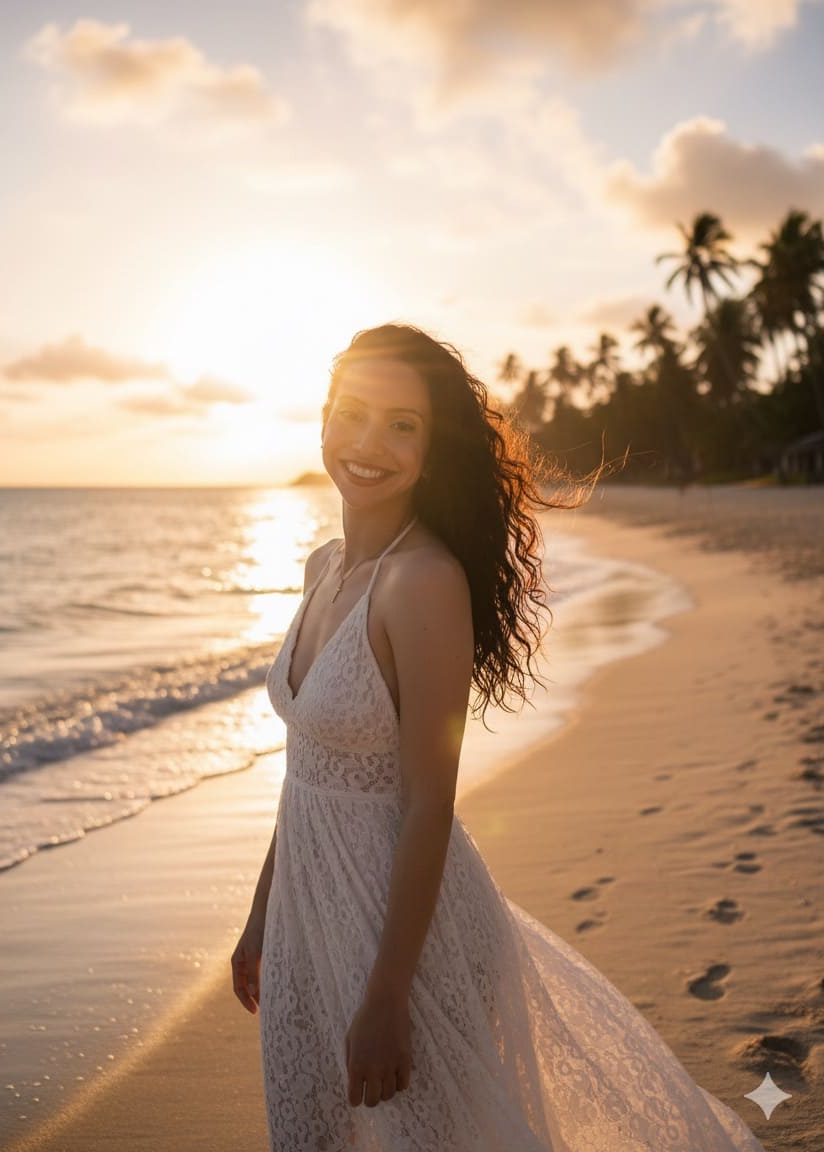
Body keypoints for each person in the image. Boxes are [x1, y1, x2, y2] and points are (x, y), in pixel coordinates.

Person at [231, 324, 765, 1150]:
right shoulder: (320, 567)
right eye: (354, 415)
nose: (370, 444)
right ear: (324, 419)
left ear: (432, 445)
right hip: (306, 913)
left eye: (402, 425)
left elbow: (428, 804)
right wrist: (263, 912)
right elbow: (307, 767)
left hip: (403, 935)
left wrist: (388, 996)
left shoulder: (424, 583)